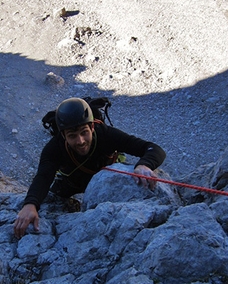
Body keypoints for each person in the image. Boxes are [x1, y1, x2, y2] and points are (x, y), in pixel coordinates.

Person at [14, 97, 166, 238]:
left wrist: (144, 165)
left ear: (92, 126)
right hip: (73, 183)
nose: (80, 141)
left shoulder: (105, 135)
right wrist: (30, 204)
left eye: (84, 132)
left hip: (108, 180)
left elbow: (153, 148)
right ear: (63, 135)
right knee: (53, 199)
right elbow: (43, 177)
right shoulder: (54, 148)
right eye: (72, 136)